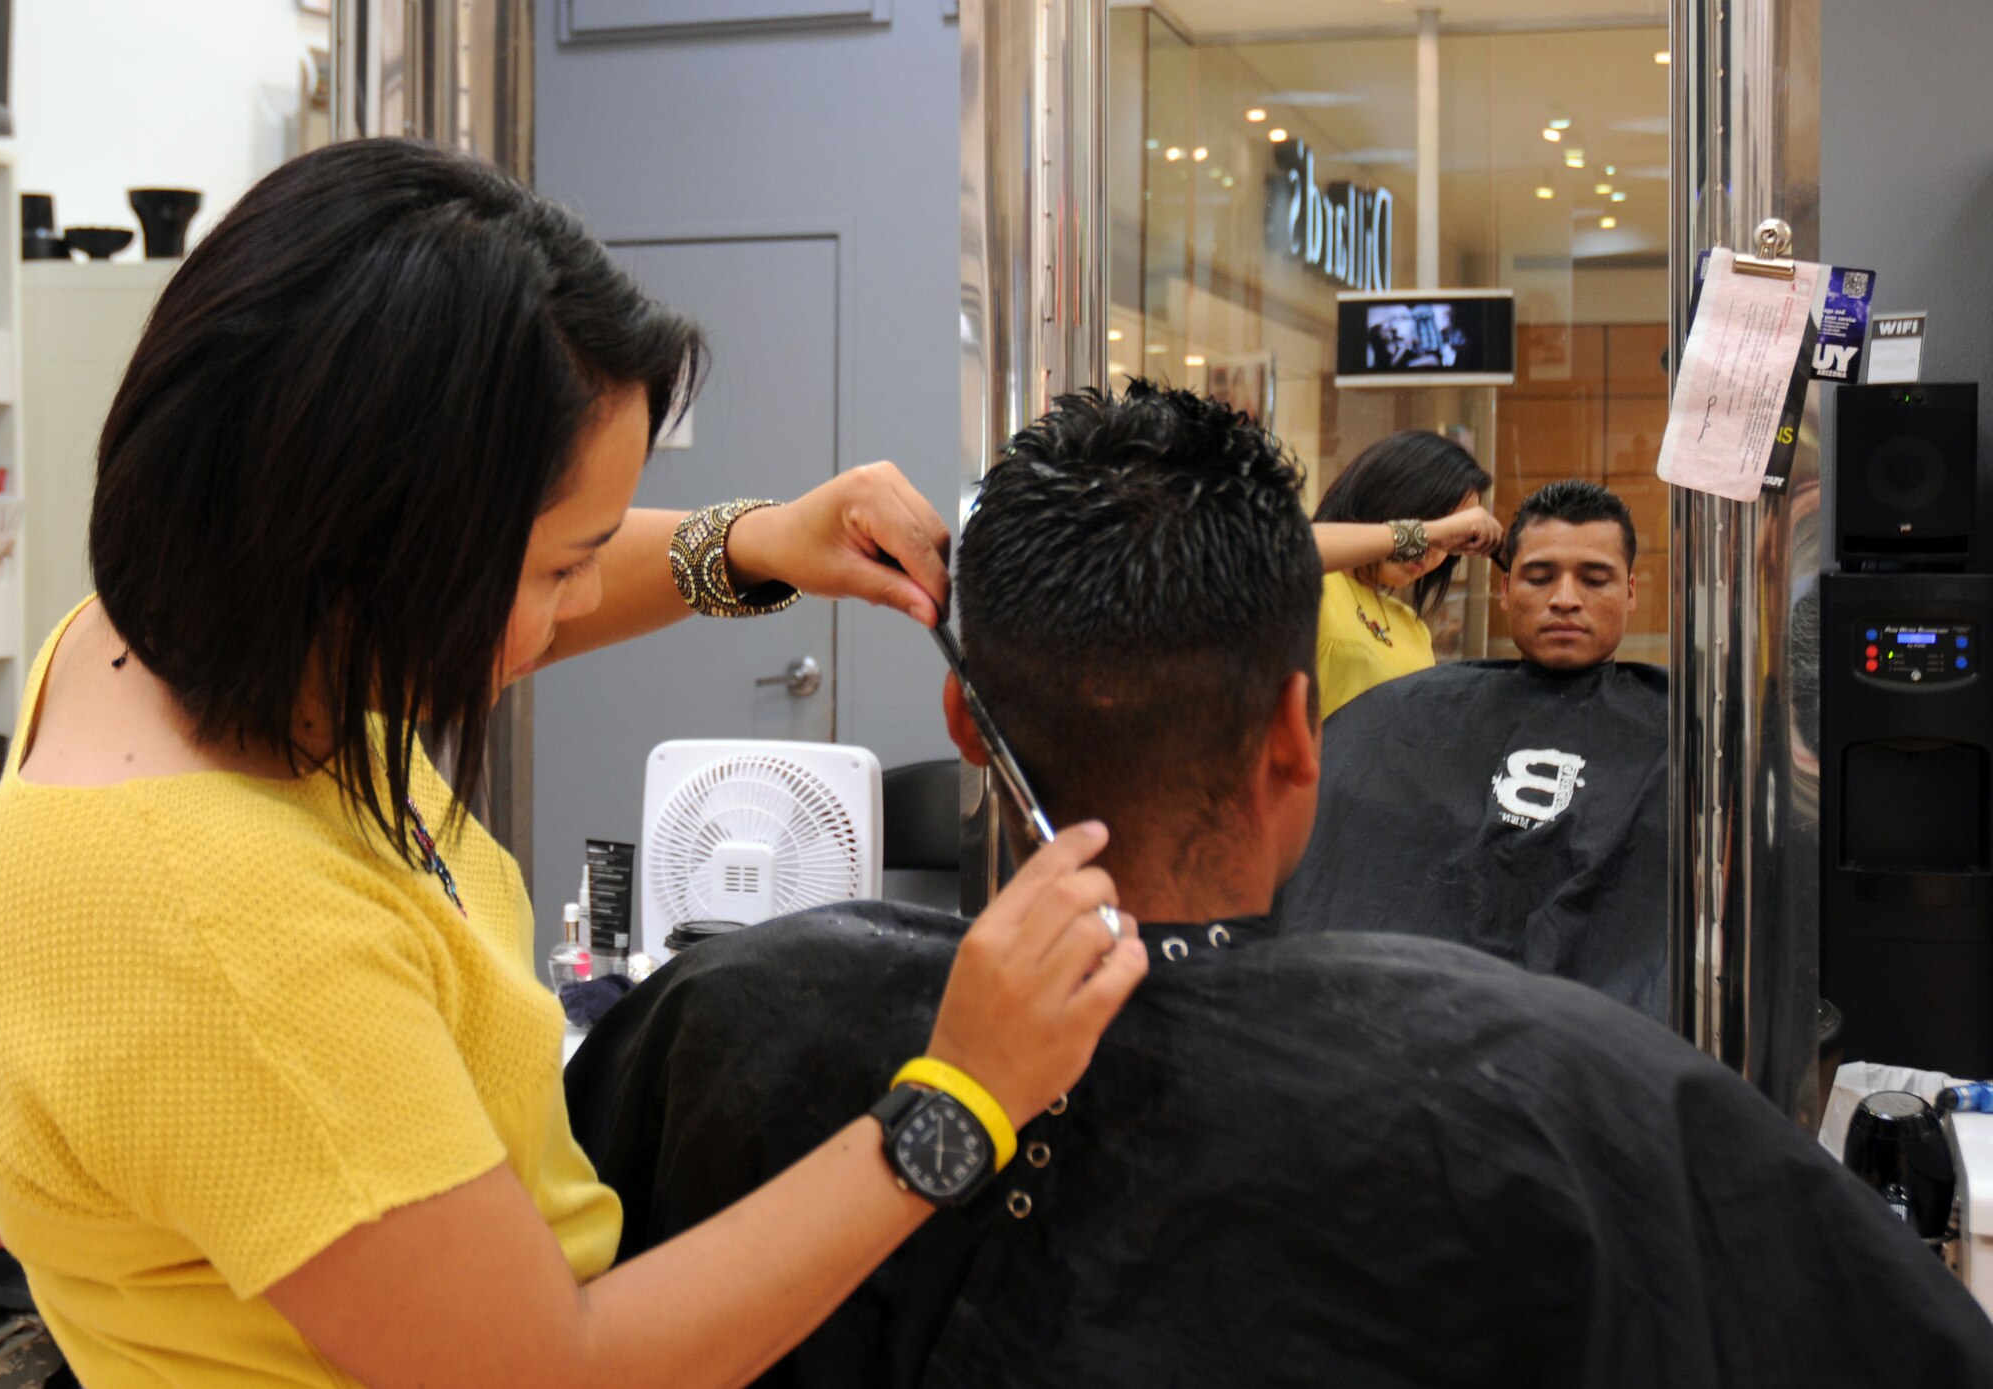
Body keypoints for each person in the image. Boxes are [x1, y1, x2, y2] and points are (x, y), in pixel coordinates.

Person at [0, 140, 1147, 1389]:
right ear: (374, 547)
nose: (579, 602)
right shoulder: (233, 944)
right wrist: (959, 1103)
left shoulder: (167, 633)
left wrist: (756, 544)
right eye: (560, 565)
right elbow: (552, 1368)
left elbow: (476, 616)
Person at [566, 387, 1993, 1388]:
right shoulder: (1573, 1102)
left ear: (967, 733)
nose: (1563, 597)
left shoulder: (723, 1016)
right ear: (1301, 742)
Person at [1275, 479, 1667, 1016]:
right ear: (1504, 591)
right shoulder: (1409, 717)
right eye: (1539, 576)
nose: (1565, 599)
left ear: (1630, 592)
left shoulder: (1683, 728)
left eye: (1595, 579)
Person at [1308, 429, 1502, 721]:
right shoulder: (1312, 583)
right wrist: (1428, 534)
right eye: (1432, 522)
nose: (1434, 550)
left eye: (1451, 541)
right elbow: (1284, 548)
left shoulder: (1411, 625)